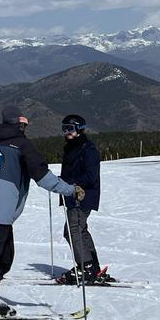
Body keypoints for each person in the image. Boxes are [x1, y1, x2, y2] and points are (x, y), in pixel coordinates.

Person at [0, 105, 84, 320]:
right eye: (24, 124)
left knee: (3, 258)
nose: (24, 128)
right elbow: (43, 178)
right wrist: (71, 189)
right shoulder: (21, 145)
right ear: (18, 124)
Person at [55, 113, 114, 284]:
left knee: (72, 230)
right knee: (80, 229)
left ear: (80, 129)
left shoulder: (88, 150)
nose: (67, 132)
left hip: (83, 197)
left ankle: (86, 266)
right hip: (72, 195)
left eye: (70, 129)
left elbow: (90, 176)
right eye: (64, 129)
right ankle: (92, 266)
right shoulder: (72, 148)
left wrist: (67, 183)